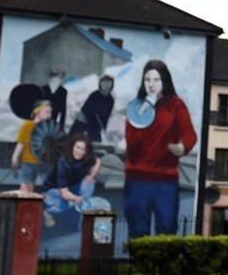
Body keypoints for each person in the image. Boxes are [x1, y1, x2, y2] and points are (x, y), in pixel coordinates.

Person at [124, 59, 196, 238]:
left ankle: (163, 267)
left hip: (166, 180)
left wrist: (182, 146)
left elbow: (190, 134)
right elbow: (132, 144)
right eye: (147, 80)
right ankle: (138, 265)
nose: (151, 85)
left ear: (165, 81)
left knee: (167, 229)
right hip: (137, 180)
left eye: (156, 80)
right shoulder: (136, 107)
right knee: (138, 231)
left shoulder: (175, 105)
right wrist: (145, 110)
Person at [43, 133, 106, 229]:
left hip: (74, 185)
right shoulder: (63, 163)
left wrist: (91, 176)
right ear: (72, 147)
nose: (80, 152)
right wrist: (77, 199)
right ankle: (47, 211)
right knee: (63, 205)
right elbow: (64, 192)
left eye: (83, 149)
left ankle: (80, 209)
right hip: (55, 189)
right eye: (77, 148)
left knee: (89, 183)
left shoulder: (87, 157)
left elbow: (97, 161)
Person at [11, 93, 52, 194]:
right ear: (37, 112)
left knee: (48, 189)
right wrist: (15, 158)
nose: (49, 115)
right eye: (47, 112)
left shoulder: (49, 127)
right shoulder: (28, 125)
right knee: (26, 188)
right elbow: (21, 144)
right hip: (28, 163)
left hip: (45, 163)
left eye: (50, 113)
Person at [69, 75, 115, 144]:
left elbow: (106, 116)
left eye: (109, 83)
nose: (106, 85)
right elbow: (87, 110)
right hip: (85, 122)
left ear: (112, 85)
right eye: (104, 83)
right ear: (100, 84)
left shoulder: (111, 99)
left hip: (97, 126)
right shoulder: (94, 95)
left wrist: (104, 129)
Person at [40, 66, 69, 133]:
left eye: (59, 78)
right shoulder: (43, 89)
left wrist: (61, 128)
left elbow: (63, 111)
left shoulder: (63, 92)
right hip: (42, 122)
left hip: (54, 123)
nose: (57, 80)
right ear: (51, 78)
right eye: (54, 78)